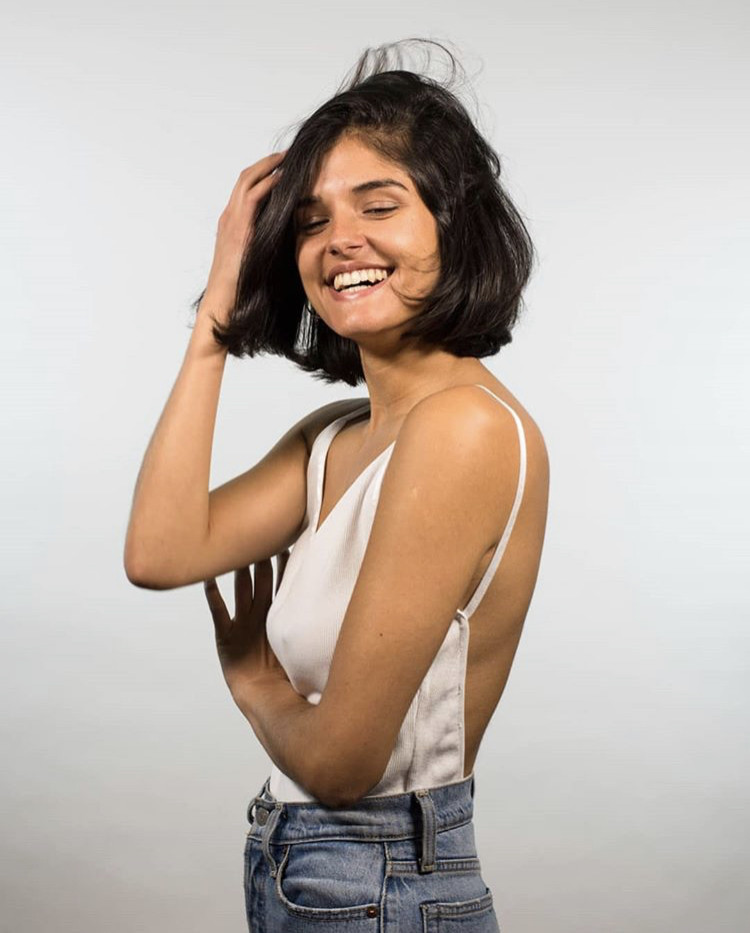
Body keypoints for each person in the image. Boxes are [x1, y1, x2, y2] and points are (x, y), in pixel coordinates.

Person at [124, 37, 549, 933]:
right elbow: (159, 552)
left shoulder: (464, 429)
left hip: (382, 879)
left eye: (379, 205)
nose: (340, 239)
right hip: (314, 873)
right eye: (309, 221)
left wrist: (255, 681)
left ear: (455, 224)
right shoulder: (333, 437)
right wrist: (216, 312)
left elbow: (344, 763)